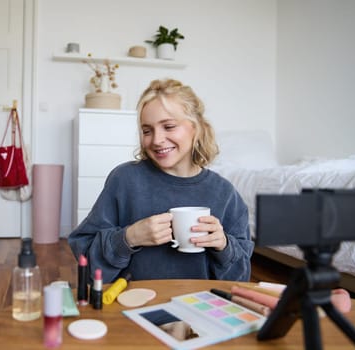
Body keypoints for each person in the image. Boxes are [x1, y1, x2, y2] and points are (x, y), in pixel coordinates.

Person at [68, 78, 253, 283]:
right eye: (147, 131)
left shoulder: (225, 194)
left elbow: (240, 278)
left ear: (197, 127)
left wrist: (224, 246)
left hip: (198, 304)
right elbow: (84, 252)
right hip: (130, 302)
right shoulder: (125, 180)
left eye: (169, 126)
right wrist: (128, 238)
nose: (156, 140)